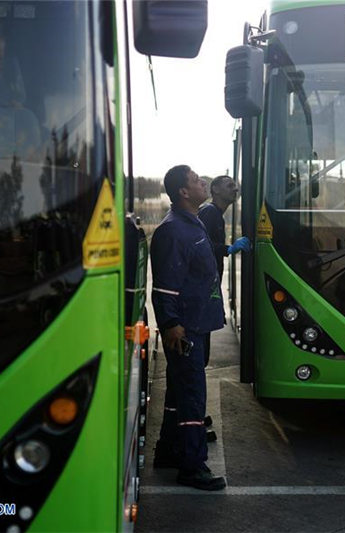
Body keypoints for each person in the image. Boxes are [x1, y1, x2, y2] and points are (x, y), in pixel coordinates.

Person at [150, 165, 226, 491]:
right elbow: (164, 287)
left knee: (178, 392)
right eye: (196, 180)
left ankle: (168, 451)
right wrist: (170, 324)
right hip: (184, 328)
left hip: (195, 322)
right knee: (193, 395)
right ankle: (193, 467)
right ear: (183, 191)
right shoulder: (172, 231)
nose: (202, 182)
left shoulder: (191, 224)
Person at [196, 175, 250, 441]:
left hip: (208, 289)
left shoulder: (216, 214)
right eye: (229, 185)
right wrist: (230, 248)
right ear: (215, 189)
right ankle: (192, 420)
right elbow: (203, 247)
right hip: (203, 292)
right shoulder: (210, 213)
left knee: (202, 357)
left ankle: (195, 415)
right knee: (198, 358)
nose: (235, 188)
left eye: (236, 185)